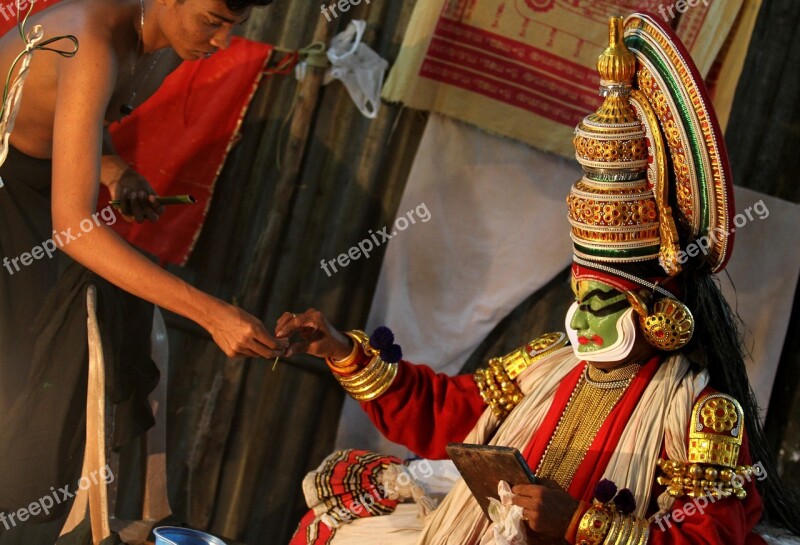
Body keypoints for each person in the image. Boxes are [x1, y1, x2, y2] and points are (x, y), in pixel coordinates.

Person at [279, 14, 800, 545]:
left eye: (604, 300)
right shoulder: (545, 365)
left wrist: (576, 524)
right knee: (326, 530)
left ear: (661, 312)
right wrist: (341, 349)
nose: (583, 317)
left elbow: (708, 537)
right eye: (580, 297)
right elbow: (445, 414)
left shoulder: (702, 414)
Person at [0, 0, 283, 540]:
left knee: (72, 359)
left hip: (33, 193)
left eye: (233, 28)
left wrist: (117, 171)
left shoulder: (170, 45)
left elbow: (73, 115)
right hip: (9, 192)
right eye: (213, 21)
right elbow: (74, 227)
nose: (221, 42)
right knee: (25, 375)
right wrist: (213, 314)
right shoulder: (89, 38)